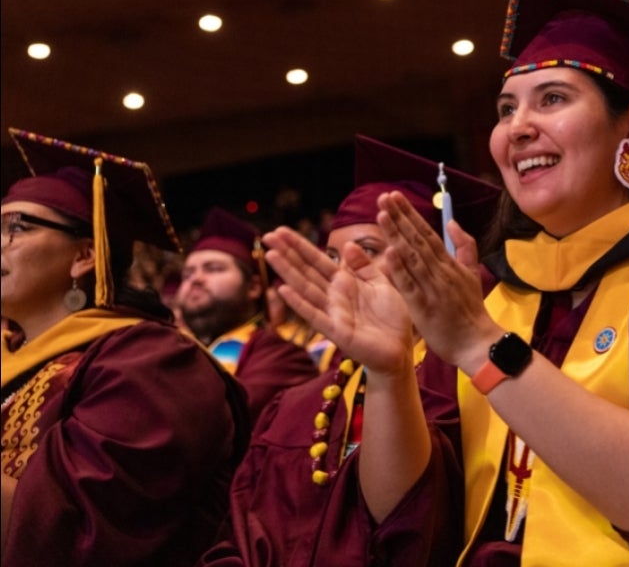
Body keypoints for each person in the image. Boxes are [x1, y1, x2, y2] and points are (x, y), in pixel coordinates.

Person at [262, 0, 629, 564]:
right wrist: (389, 378)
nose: (517, 128)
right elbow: (406, 523)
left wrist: (484, 348)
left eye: (552, 99)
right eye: (507, 109)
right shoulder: (489, 286)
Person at [200, 135, 501, 566]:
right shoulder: (293, 408)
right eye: (331, 257)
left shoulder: (481, 385)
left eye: (368, 252)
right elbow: (236, 539)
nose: (343, 274)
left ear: (441, 261)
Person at [1, 130, 249, 566]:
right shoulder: (12, 355)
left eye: (15, 229)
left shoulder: (153, 363)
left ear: (84, 256)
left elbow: (80, 531)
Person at [177, 207, 317, 424]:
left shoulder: (283, 357)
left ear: (253, 287)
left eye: (213, 269)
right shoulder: (175, 347)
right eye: (187, 273)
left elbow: (209, 424)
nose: (195, 279)